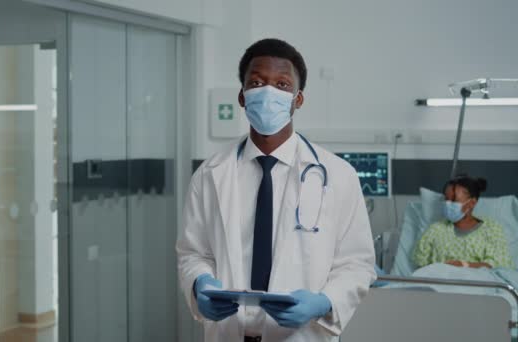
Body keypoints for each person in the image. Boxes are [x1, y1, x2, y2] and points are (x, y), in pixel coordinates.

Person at [176, 38, 376, 342]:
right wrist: (199, 283)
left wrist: (323, 302)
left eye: (282, 84)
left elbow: (357, 264)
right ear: (242, 96)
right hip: (229, 333)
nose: (268, 92)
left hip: (303, 335)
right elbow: (193, 252)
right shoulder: (209, 174)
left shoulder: (338, 176)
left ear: (298, 99)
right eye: (256, 82)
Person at [413, 175, 513, 269]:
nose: (448, 204)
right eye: (446, 199)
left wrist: (464, 265)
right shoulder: (435, 230)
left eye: (454, 200)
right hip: (440, 285)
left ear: (472, 203)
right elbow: (421, 264)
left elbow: (499, 265)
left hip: (480, 285)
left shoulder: (491, 229)